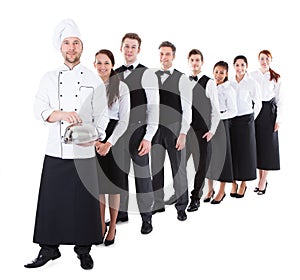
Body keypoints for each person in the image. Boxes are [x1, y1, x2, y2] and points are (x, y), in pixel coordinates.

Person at [24, 19, 109, 270]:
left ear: (81, 47)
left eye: (75, 43)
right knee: (52, 200)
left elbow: (102, 114)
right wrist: (61, 114)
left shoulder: (93, 79)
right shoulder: (49, 78)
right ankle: (49, 249)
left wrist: (95, 135)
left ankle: (84, 249)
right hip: (56, 150)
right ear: (60, 48)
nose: (71, 48)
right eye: (67, 44)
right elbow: (38, 109)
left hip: (83, 150)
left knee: (84, 202)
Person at [114, 33, 159, 234]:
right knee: (118, 174)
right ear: (121, 48)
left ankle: (146, 218)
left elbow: (154, 106)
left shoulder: (147, 73)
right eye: (126, 46)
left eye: (133, 47)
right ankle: (121, 214)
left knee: (142, 176)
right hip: (118, 131)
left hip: (139, 130)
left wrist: (148, 136)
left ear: (138, 50)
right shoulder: (114, 73)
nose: (129, 50)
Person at [151, 41, 192, 221]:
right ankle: (157, 203)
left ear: (173, 56)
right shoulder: (151, 76)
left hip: (175, 128)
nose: (164, 57)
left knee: (178, 169)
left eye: (167, 54)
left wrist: (183, 133)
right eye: (161, 54)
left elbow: (187, 108)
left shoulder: (182, 78)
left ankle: (181, 206)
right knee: (156, 168)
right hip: (155, 128)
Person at [94, 49, 130, 245]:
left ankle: (113, 225)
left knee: (113, 185)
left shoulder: (121, 87)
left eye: (106, 63)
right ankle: (100, 224)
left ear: (112, 64)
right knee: (99, 185)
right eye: (99, 63)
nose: (102, 66)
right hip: (94, 136)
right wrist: (95, 141)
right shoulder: (90, 85)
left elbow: (124, 120)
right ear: (94, 65)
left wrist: (109, 142)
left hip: (115, 137)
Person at [185, 49, 220, 212]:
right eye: (192, 60)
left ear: (202, 62)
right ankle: (181, 195)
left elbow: (215, 110)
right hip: (186, 131)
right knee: (179, 165)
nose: (195, 63)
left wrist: (212, 130)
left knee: (201, 166)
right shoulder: (184, 81)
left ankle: (196, 198)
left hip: (202, 131)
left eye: (197, 60)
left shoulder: (209, 82)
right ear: (189, 61)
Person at [229, 55, 262, 198]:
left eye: (242, 65)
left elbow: (258, 103)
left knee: (245, 152)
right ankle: (233, 182)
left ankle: (243, 182)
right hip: (231, 120)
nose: (240, 68)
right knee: (233, 150)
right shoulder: (229, 82)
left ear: (246, 66)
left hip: (246, 120)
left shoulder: (251, 83)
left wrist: (251, 119)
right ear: (233, 66)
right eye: (237, 65)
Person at [250, 50, 282, 195]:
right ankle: (261, 179)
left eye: (267, 59)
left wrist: (278, 119)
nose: (264, 61)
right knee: (258, 145)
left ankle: (263, 180)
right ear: (258, 60)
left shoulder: (275, 77)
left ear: (271, 60)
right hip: (256, 111)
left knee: (268, 146)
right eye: (262, 59)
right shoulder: (252, 75)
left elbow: (280, 99)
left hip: (269, 113)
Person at [206, 61, 237, 204]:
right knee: (209, 156)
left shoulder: (229, 89)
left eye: (222, 73)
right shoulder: (210, 85)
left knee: (223, 157)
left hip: (222, 123)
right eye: (216, 72)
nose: (218, 75)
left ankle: (221, 191)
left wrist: (218, 117)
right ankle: (210, 189)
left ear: (226, 74)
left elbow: (233, 111)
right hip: (209, 122)